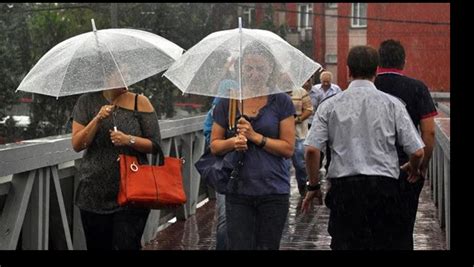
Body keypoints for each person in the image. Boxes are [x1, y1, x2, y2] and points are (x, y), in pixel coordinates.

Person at [302, 45, 425, 250]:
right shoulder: (393, 104)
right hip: (384, 190)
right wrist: (413, 166)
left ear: (348, 71)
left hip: (345, 192)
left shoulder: (329, 105)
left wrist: (314, 186)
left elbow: (312, 150)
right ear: (376, 71)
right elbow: (418, 151)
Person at [210, 41, 296, 250]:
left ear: (270, 70)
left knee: (268, 246)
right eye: (248, 68)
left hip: (273, 189)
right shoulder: (228, 102)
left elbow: (288, 148)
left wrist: (256, 137)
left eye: (260, 68)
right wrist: (233, 142)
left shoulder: (281, 101)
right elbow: (215, 145)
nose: (254, 74)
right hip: (238, 189)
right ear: (240, 69)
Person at [71, 67, 162, 250]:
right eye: (119, 75)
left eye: (127, 73)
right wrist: (97, 119)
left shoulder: (140, 102)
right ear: (105, 76)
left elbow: (155, 145)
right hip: (94, 192)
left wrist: (128, 139)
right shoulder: (86, 102)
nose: (125, 78)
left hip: (133, 192)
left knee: (127, 245)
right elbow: (77, 144)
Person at [375, 39, 438, 250]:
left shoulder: (368, 87)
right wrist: (421, 165)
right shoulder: (417, 88)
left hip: (371, 171)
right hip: (406, 170)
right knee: (402, 231)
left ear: (378, 61)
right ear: (403, 61)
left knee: (372, 231)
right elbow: (428, 131)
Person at [201, 51, 238, 250]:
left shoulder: (266, 96)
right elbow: (210, 133)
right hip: (228, 166)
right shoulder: (227, 92)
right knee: (226, 220)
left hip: (257, 172)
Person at [309, 70, 341, 172]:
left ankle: (328, 165)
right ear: (321, 80)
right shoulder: (315, 90)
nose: (326, 84)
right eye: (324, 82)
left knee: (330, 145)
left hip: (332, 121)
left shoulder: (336, 89)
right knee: (318, 144)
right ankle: (317, 164)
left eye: (328, 82)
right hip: (318, 120)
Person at [288, 79, 313, 196]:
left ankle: (303, 187)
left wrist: (297, 120)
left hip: (299, 134)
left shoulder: (300, 91)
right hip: (280, 135)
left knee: (300, 164)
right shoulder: (275, 92)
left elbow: (309, 109)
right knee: (283, 166)